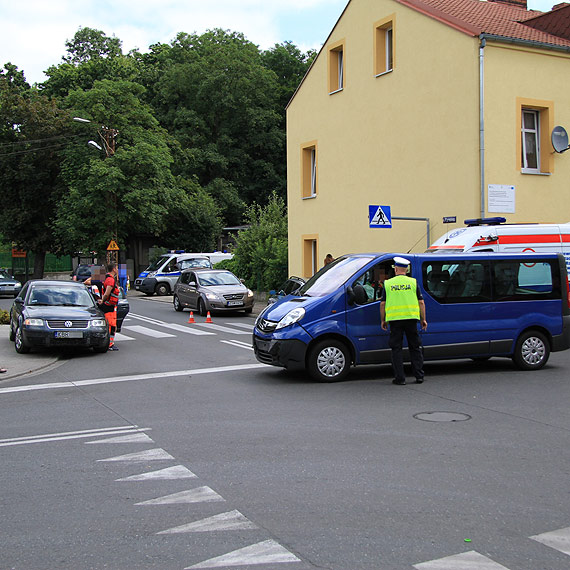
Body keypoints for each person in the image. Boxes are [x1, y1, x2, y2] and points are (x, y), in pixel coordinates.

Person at [380, 257, 427, 385]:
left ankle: (400, 378)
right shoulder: (413, 282)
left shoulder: (388, 284)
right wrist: (423, 319)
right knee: (415, 347)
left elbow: (383, 304)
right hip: (411, 319)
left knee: (396, 349)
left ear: (395, 269)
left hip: (395, 321)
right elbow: (421, 302)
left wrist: (383, 320)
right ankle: (419, 376)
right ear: (406, 270)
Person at [99, 263, 120, 351]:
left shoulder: (106, 278)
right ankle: (110, 344)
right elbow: (107, 293)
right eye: (117, 268)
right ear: (114, 269)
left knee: (110, 325)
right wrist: (103, 300)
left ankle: (109, 343)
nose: (118, 270)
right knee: (111, 325)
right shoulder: (111, 280)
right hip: (109, 306)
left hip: (108, 305)